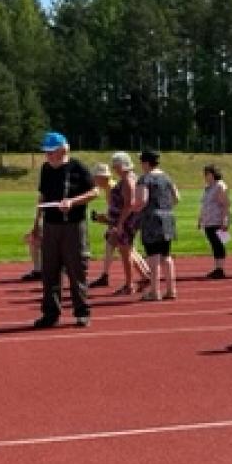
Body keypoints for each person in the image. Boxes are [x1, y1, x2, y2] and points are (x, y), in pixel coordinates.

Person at [31, 132, 97, 328]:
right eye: (46, 153)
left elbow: (94, 192)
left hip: (73, 226)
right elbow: (42, 197)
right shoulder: (46, 169)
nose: (48, 156)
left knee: (77, 269)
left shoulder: (78, 168)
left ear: (63, 150)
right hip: (51, 226)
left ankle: (82, 311)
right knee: (49, 271)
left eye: (51, 152)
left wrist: (73, 202)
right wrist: (36, 224)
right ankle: (50, 313)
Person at [88, 163, 151, 290]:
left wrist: (110, 222)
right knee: (124, 248)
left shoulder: (111, 188)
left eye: (95, 177)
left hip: (124, 224)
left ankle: (143, 275)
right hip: (121, 223)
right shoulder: (109, 188)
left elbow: (120, 209)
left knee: (126, 249)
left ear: (102, 177)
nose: (93, 180)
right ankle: (145, 274)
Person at [136, 150, 180, 301]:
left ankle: (155, 291)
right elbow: (177, 197)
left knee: (153, 255)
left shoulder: (145, 179)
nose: (141, 165)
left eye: (142, 162)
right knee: (166, 255)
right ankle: (171, 289)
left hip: (151, 218)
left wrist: (134, 209)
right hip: (167, 216)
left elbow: (142, 200)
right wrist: (166, 207)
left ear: (147, 163)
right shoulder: (167, 177)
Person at [105, 152, 151, 296]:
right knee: (127, 251)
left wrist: (120, 223)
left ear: (121, 165)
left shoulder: (127, 180)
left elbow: (129, 204)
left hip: (127, 221)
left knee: (125, 252)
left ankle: (129, 284)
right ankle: (143, 277)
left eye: (115, 166)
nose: (114, 169)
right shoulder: (130, 178)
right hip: (128, 220)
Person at [198, 164, 232, 279]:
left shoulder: (220, 186)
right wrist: (200, 219)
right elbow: (204, 205)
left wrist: (224, 220)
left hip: (217, 220)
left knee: (218, 244)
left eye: (207, 174)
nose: (205, 176)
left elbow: (226, 204)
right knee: (214, 244)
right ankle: (217, 268)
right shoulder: (207, 188)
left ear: (213, 174)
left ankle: (220, 268)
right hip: (208, 221)